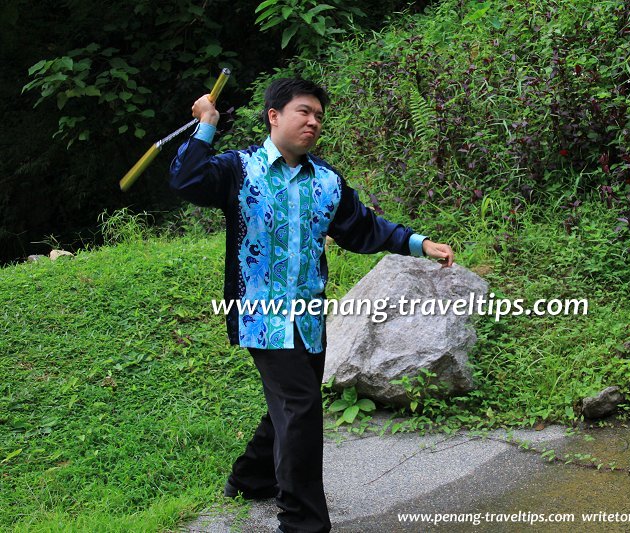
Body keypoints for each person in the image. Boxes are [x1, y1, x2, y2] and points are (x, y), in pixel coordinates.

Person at [169, 78, 454, 533]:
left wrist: (419, 244)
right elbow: (186, 180)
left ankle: (250, 479)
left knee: (290, 402)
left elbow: (364, 228)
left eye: (319, 115)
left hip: (307, 319)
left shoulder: (326, 181)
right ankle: (302, 523)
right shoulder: (238, 170)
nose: (313, 121)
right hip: (261, 317)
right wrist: (206, 124)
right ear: (274, 116)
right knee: (300, 407)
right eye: (304, 111)